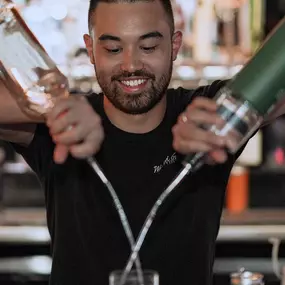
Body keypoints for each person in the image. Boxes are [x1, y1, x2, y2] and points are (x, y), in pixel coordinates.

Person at [0, 0, 284, 284]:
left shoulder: (209, 112)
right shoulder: (62, 121)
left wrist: (233, 113)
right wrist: (48, 105)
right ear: (90, 50)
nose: (131, 65)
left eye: (148, 47)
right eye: (113, 48)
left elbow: (273, 76)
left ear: (174, 45)